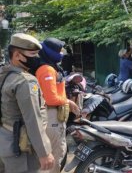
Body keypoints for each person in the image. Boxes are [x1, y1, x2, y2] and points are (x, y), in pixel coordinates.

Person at [0, 33, 54, 173]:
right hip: (21, 149)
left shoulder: (5, 75)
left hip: (5, 141)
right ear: (17, 55)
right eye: (32, 54)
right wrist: (44, 152)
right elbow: (33, 119)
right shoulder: (25, 81)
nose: (36, 58)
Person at [35, 38, 80, 173]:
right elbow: (50, 98)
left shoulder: (51, 66)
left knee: (57, 153)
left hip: (55, 115)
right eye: (59, 50)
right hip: (51, 116)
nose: (61, 53)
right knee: (54, 155)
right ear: (51, 52)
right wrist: (69, 101)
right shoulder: (46, 69)